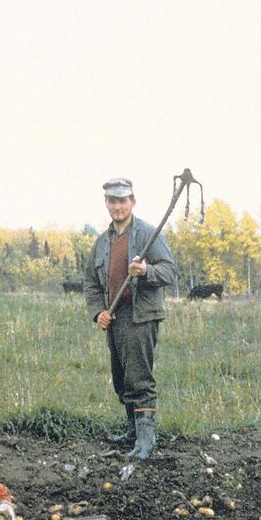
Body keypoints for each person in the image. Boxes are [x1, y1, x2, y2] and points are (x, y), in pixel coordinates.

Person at [83, 176, 177, 459]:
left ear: (132, 201)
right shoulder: (102, 243)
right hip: (114, 318)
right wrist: (98, 312)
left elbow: (170, 272)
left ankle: (146, 441)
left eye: (122, 200)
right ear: (106, 203)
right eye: (112, 201)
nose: (117, 206)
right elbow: (91, 284)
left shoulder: (149, 235)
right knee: (121, 379)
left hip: (140, 317)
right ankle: (133, 433)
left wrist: (146, 271)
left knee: (139, 379)